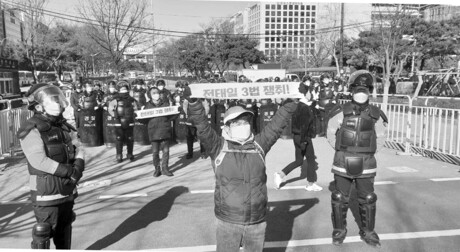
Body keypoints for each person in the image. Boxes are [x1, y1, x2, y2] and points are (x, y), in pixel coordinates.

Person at [185, 88, 298, 252]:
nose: (243, 126)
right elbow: (202, 126)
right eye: (237, 123)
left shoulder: (259, 145)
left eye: (245, 122)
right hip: (228, 221)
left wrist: (292, 101)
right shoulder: (218, 147)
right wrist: (194, 103)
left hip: (257, 222)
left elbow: (277, 125)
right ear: (227, 127)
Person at [17, 84, 85, 249]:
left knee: (65, 229)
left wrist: (78, 167)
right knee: (44, 231)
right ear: (39, 106)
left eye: (58, 100)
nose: (58, 104)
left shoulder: (63, 126)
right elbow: (38, 160)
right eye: (53, 101)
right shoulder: (32, 129)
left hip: (67, 190)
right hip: (46, 192)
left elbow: (79, 148)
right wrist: (69, 171)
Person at [326, 70, 387, 247]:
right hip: (342, 161)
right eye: (358, 90)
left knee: (367, 198)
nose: (361, 93)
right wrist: (342, 151)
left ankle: (368, 231)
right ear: (352, 91)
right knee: (339, 197)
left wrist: (368, 153)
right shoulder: (340, 112)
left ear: (369, 92)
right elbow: (331, 134)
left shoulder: (376, 114)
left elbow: (381, 139)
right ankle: (339, 230)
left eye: (365, 90)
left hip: (367, 162)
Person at [274, 87, 321, 191]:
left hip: (297, 136)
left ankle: (280, 175)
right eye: (309, 92)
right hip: (303, 136)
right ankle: (310, 184)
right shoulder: (304, 107)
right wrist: (304, 140)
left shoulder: (299, 106)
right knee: (311, 160)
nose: (311, 94)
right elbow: (304, 125)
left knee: (299, 161)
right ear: (304, 94)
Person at [139, 87, 178, 177]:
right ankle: (157, 169)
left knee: (166, 151)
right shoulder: (147, 106)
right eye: (153, 93)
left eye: (157, 93)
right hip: (153, 132)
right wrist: (139, 117)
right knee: (155, 152)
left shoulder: (165, 104)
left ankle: (165, 169)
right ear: (150, 95)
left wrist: (176, 113)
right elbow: (144, 121)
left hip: (165, 130)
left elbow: (171, 117)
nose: (156, 95)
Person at [112, 84, 138, 162]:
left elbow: (136, 108)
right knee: (119, 138)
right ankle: (119, 155)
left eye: (125, 89)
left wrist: (134, 114)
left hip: (130, 121)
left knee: (130, 138)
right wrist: (115, 115)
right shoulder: (115, 99)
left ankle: (130, 154)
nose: (124, 91)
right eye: (122, 90)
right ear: (119, 90)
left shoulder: (132, 100)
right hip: (118, 121)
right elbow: (110, 108)